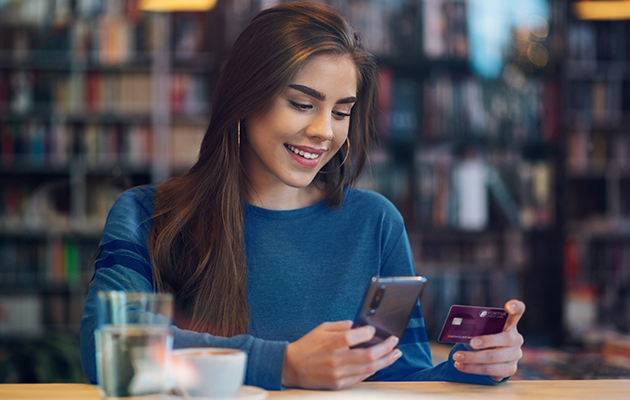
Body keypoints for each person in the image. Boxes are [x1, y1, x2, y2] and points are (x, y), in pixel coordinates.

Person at [80, 1, 525, 391]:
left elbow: (398, 376)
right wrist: (285, 365)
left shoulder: (376, 222)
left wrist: (472, 367)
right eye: (302, 103)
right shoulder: (146, 214)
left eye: (341, 111)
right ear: (245, 99)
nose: (323, 132)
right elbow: (110, 344)